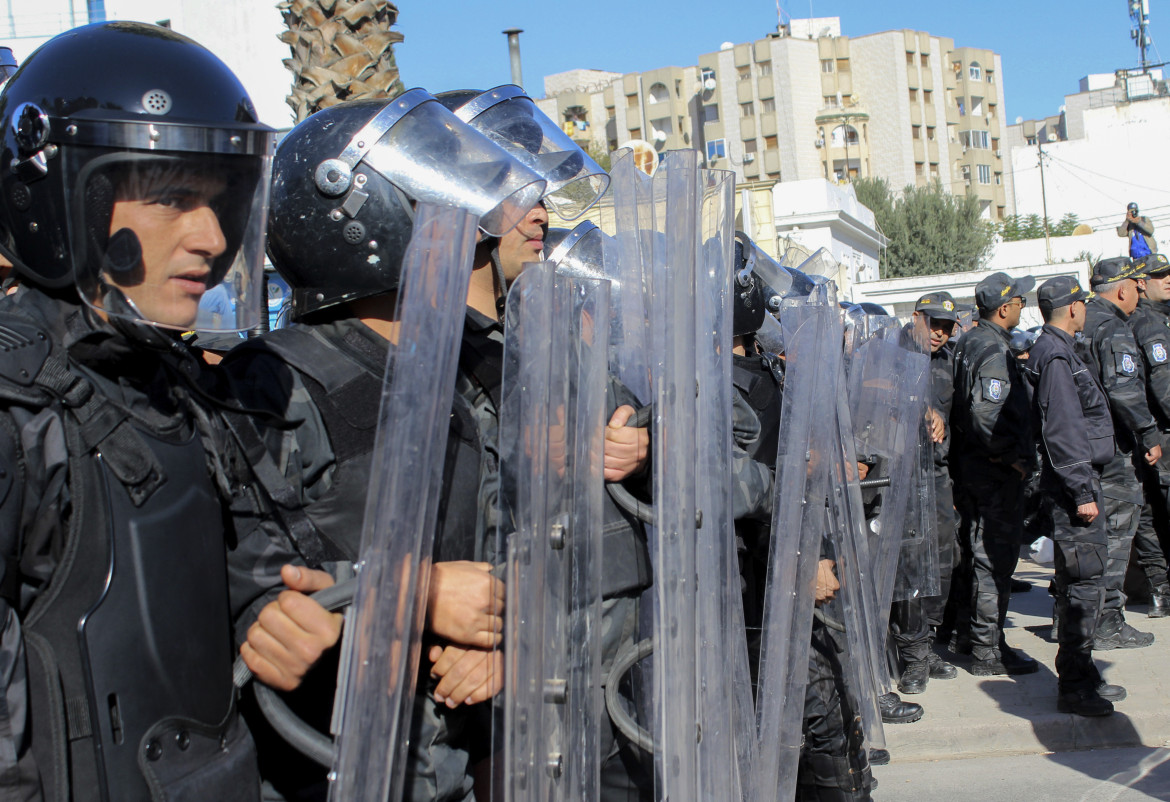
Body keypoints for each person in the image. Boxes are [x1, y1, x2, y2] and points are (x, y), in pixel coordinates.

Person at [219, 94, 553, 801]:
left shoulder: (458, 371)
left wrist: (502, 638)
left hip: (445, 767)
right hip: (316, 770)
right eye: (434, 195)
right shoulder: (277, 380)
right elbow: (243, 572)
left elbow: (506, 547)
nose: (472, 222)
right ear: (360, 215)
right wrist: (415, 595)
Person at [0, 22, 282, 801]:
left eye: (220, 201)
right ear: (63, 204)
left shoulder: (169, 381)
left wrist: (275, 614)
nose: (212, 236)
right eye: (172, 198)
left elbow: (226, 564)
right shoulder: (19, 404)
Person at [1023, 276, 1125, 716]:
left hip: (1073, 482)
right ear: (1072, 308)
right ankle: (1076, 686)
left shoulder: (1056, 348)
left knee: (1077, 583)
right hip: (1073, 490)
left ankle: (1081, 675)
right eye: (1081, 303)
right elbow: (1063, 430)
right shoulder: (1056, 354)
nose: (1085, 308)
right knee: (1084, 584)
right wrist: (1083, 490)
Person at [950, 272, 1039, 676]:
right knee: (993, 561)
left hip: (974, 469)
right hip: (992, 474)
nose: (1023, 305)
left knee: (976, 556)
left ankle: (973, 637)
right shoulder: (989, 348)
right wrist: (1009, 457)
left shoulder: (971, 340)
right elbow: (987, 413)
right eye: (1020, 300)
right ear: (1004, 308)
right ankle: (988, 651)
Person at [1077, 257, 1162, 649]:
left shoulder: (1079, 322)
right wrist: (1147, 432)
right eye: (1137, 286)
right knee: (1115, 536)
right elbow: (1125, 390)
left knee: (1088, 537)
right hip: (1114, 449)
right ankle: (1107, 620)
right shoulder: (1113, 327)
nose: (1139, 293)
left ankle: (1077, 617)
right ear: (1124, 289)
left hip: (1081, 446)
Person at [893, 293, 960, 694]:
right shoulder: (886, 352)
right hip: (900, 476)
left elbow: (954, 421)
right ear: (915, 317)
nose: (939, 333)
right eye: (933, 324)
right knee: (911, 566)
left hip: (935, 474)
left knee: (944, 559)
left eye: (947, 327)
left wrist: (942, 427)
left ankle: (929, 640)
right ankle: (912, 653)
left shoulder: (947, 361)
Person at [1126, 253, 1170, 616]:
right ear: (1140, 282)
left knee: (1148, 513)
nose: (1166, 280)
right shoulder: (1149, 324)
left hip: (1146, 432)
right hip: (1160, 432)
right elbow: (1163, 384)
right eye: (1158, 276)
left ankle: (1158, 587)